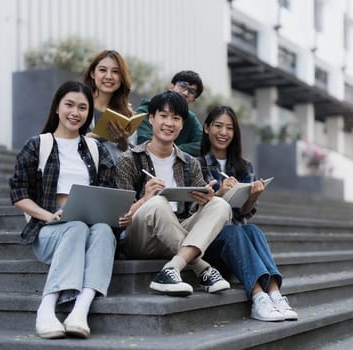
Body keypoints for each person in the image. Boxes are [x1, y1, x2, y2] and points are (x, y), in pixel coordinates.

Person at [9, 81, 131, 339]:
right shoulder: (37, 145)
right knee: (74, 226)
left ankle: (80, 309)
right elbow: (19, 194)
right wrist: (48, 215)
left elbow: (110, 191)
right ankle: (47, 307)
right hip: (48, 229)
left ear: (89, 113)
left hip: (90, 226)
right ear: (57, 107)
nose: (75, 112)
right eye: (70, 105)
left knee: (102, 230)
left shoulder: (96, 150)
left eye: (83, 108)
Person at [114, 91, 232, 296]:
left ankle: (172, 268)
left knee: (221, 205)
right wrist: (145, 198)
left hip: (177, 231)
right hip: (141, 239)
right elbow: (119, 218)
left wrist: (205, 200)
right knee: (158, 203)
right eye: (164, 116)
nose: (169, 123)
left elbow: (197, 209)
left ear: (182, 125)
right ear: (151, 119)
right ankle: (201, 268)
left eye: (176, 118)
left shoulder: (189, 162)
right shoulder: (129, 159)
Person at [198, 105, 298, 322]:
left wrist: (253, 195)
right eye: (218, 126)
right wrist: (220, 193)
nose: (224, 132)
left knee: (251, 229)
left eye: (229, 128)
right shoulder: (197, 164)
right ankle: (258, 298)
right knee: (234, 232)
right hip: (208, 242)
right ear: (207, 128)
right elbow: (195, 212)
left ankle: (275, 294)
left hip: (236, 240)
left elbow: (244, 213)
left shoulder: (244, 167)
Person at [135, 70, 204, 156]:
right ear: (171, 87)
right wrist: (170, 150)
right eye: (183, 86)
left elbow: (203, 144)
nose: (186, 93)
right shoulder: (146, 110)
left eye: (192, 92)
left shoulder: (190, 118)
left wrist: (173, 151)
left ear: (193, 100)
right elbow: (144, 139)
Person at [83, 49, 133, 161]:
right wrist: (85, 140)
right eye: (102, 70)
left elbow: (133, 159)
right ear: (92, 73)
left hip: (112, 176)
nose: (109, 76)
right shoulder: (78, 105)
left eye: (115, 72)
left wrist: (123, 143)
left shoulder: (127, 113)